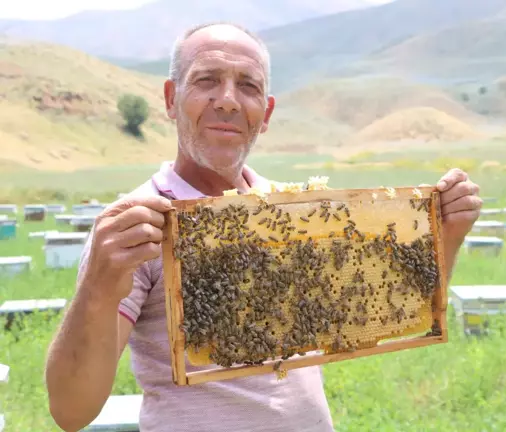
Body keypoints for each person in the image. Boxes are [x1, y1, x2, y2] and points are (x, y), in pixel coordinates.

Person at [44, 21, 482, 432]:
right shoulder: (136, 226)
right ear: (170, 98)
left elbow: (388, 310)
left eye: (248, 86)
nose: (229, 100)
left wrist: (446, 236)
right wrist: (97, 289)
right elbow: (71, 410)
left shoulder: (297, 212)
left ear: (266, 113)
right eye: (207, 80)